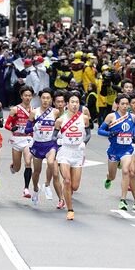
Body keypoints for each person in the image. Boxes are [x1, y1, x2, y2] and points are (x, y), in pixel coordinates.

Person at [54, 91, 91, 220]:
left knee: (74, 185)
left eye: (77, 102)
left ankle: (68, 192)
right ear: (67, 104)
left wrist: (84, 142)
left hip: (77, 152)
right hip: (65, 151)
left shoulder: (84, 118)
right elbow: (54, 136)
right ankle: (70, 209)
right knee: (67, 180)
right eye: (72, 102)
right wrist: (57, 142)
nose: (75, 105)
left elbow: (88, 134)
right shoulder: (60, 120)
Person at [25, 88, 63, 206]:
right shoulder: (34, 112)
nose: (45, 100)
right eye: (43, 98)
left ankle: (60, 198)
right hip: (38, 145)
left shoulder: (55, 112)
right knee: (36, 172)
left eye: (48, 98)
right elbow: (27, 130)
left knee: (52, 164)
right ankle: (36, 189)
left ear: (51, 100)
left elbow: (61, 125)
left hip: (50, 144)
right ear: (40, 99)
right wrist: (34, 127)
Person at [99, 94, 135, 211]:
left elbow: (133, 128)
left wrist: (133, 134)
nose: (125, 106)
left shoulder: (132, 116)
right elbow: (100, 130)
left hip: (127, 149)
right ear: (118, 104)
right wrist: (110, 134)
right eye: (122, 104)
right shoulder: (111, 117)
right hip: (114, 150)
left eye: (127, 104)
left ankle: (123, 199)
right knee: (112, 175)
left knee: (126, 171)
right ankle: (108, 178)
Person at [5, 86, 35, 199]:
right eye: (25, 95)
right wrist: (12, 128)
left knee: (28, 162)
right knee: (17, 168)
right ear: (21, 96)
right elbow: (7, 124)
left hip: (28, 139)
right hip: (17, 140)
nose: (27, 98)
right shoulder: (15, 109)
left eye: (29, 95)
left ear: (32, 97)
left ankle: (26, 189)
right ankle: (13, 166)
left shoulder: (34, 110)